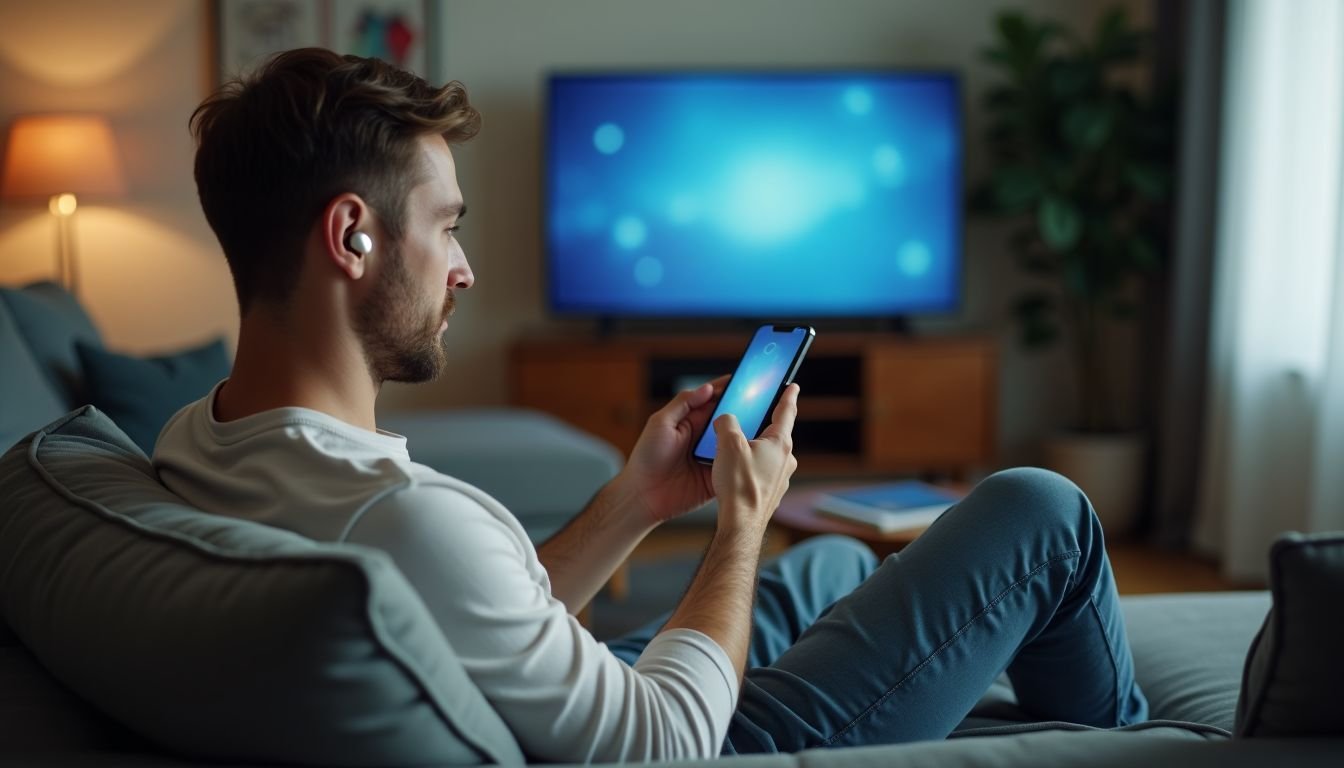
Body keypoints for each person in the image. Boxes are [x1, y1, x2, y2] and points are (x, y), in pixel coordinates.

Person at [153, 48, 1148, 763]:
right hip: (689, 741)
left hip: (555, 704)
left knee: (837, 563)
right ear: (352, 237)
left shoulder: (201, 437)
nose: (463, 269)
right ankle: (1153, 748)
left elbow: (462, 610)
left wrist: (641, 499)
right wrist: (741, 523)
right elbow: (666, 741)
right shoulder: (406, 519)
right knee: (1039, 512)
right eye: (447, 226)